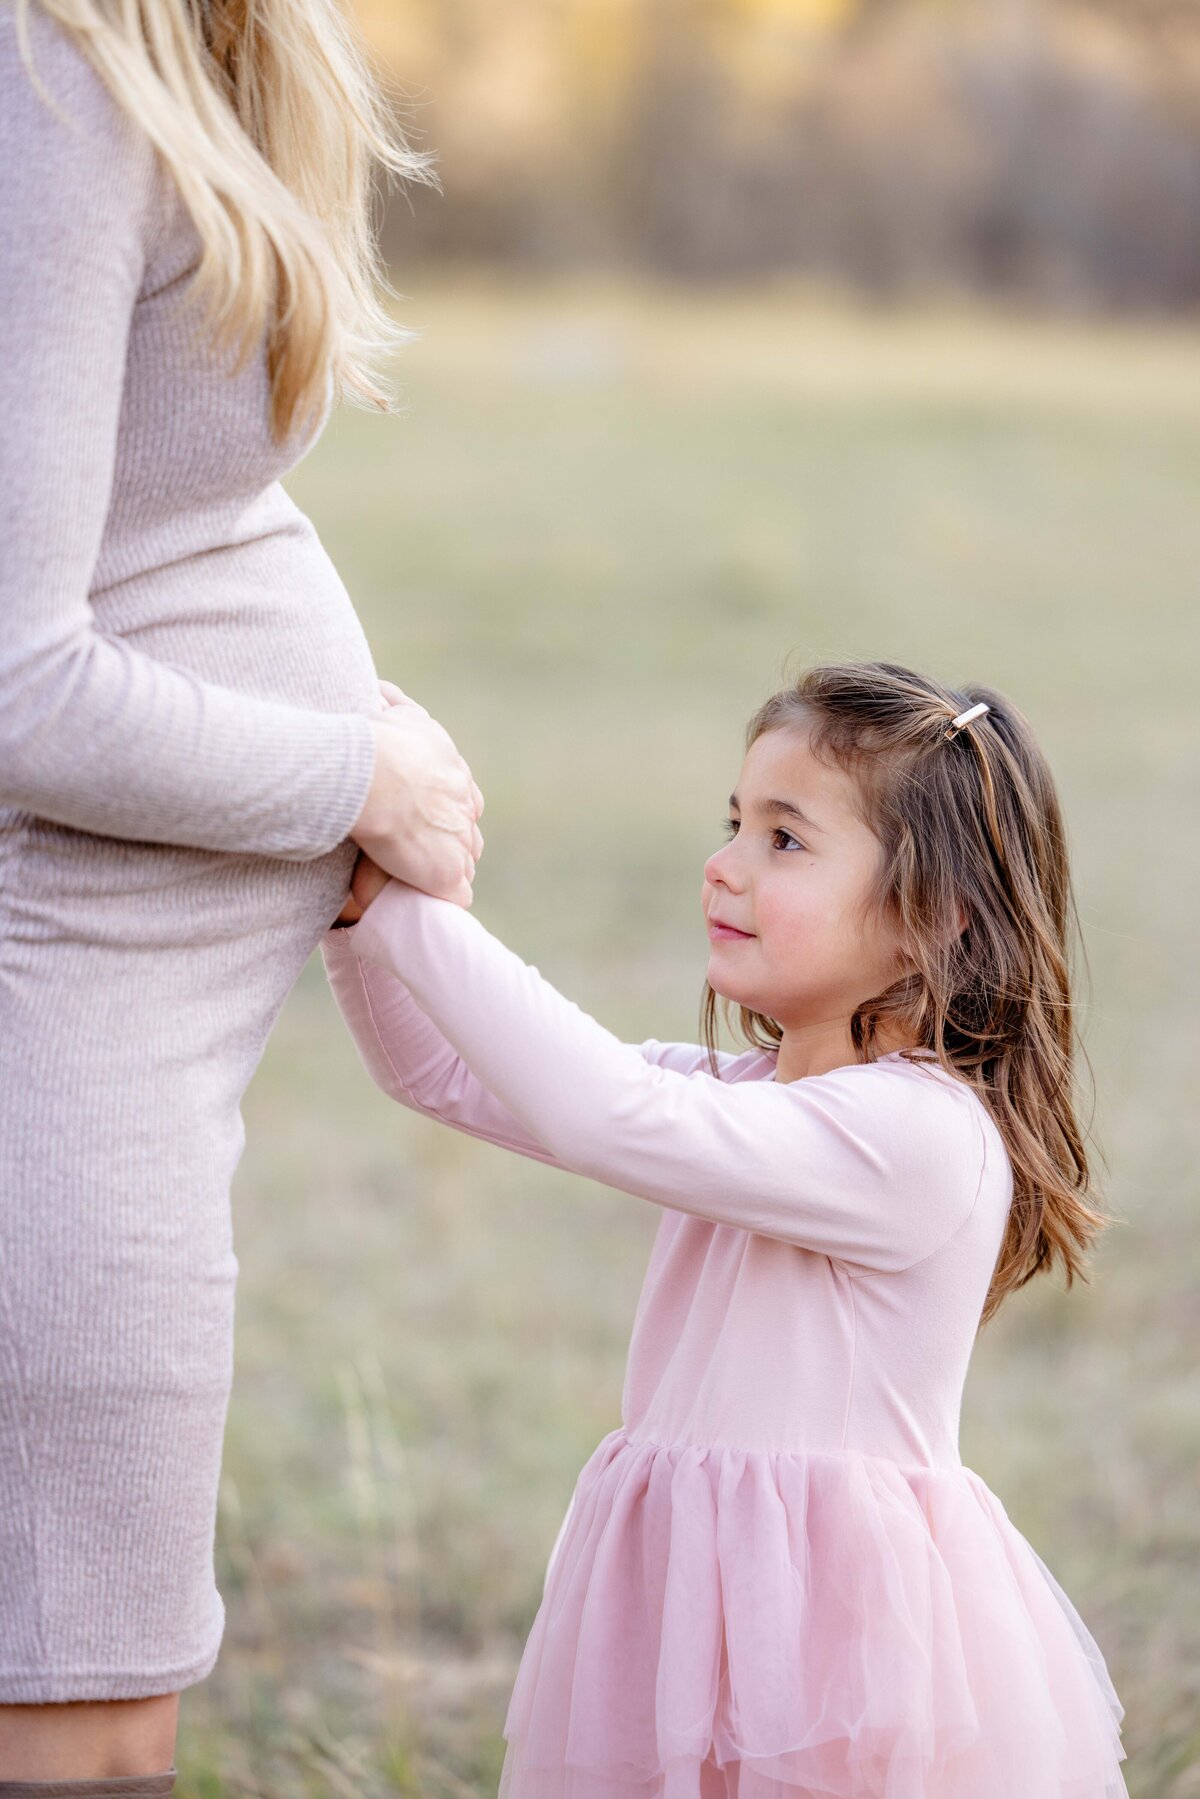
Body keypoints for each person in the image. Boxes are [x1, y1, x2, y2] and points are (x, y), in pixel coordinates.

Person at [324, 659, 1130, 1799]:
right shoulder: (742, 1095)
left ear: (936, 916)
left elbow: (605, 1110)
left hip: (830, 1643)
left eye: (785, 840)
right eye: (734, 822)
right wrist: (360, 904)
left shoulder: (920, 1135)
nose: (726, 862)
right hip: (690, 1601)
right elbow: (440, 1069)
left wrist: (414, 898)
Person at [0, 0, 482, 1789]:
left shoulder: (166, 66)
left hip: (126, 1057)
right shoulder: (43, 80)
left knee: (109, 1718)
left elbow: (155, 517)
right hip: (51, 1053)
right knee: (87, 1735)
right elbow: (15, 679)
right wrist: (348, 777)